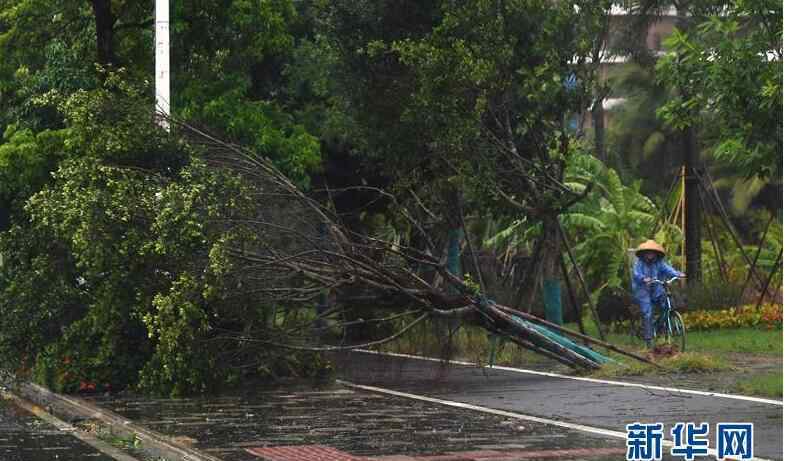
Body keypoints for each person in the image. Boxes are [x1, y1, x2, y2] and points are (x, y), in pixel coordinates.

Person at [631, 240, 686, 348]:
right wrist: (643, 278)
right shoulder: (639, 263)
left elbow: (668, 270)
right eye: (648, 252)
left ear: (656, 253)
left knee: (666, 303)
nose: (650, 255)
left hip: (656, 287)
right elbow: (636, 273)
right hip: (642, 290)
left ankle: (663, 326)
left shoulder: (659, 263)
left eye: (652, 252)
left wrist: (678, 274)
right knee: (647, 312)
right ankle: (648, 339)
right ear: (644, 253)